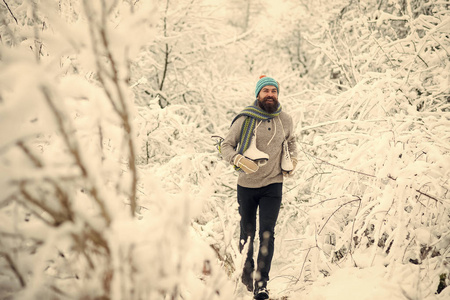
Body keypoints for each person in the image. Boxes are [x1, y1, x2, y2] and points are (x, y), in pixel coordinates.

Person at [221, 76, 297, 300]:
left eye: (274, 91)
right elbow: (225, 145)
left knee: (267, 233)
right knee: (247, 233)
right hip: (246, 186)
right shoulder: (245, 119)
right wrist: (238, 160)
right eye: (266, 91)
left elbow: (291, 141)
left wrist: (293, 160)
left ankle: (261, 284)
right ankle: (247, 275)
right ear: (258, 95)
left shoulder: (285, 119)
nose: (270, 94)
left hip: (273, 184)